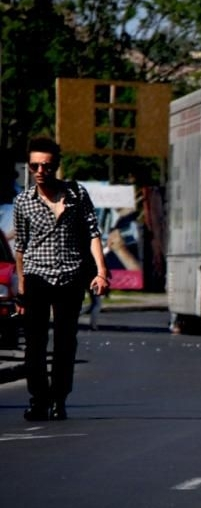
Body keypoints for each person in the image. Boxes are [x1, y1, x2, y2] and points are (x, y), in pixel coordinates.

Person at [13, 136, 109, 421]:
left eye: (47, 165)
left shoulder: (77, 194)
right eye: (35, 166)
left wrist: (101, 272)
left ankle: (59, 399)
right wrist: (21, 287)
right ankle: (38, 399)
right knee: (35, 343)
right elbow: (21, 247)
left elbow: (93, 233)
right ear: (29, 168)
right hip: (36, 276)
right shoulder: (23, 202)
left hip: (70, 275)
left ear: (56, 165)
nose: (41, 171)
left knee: (66, 342)